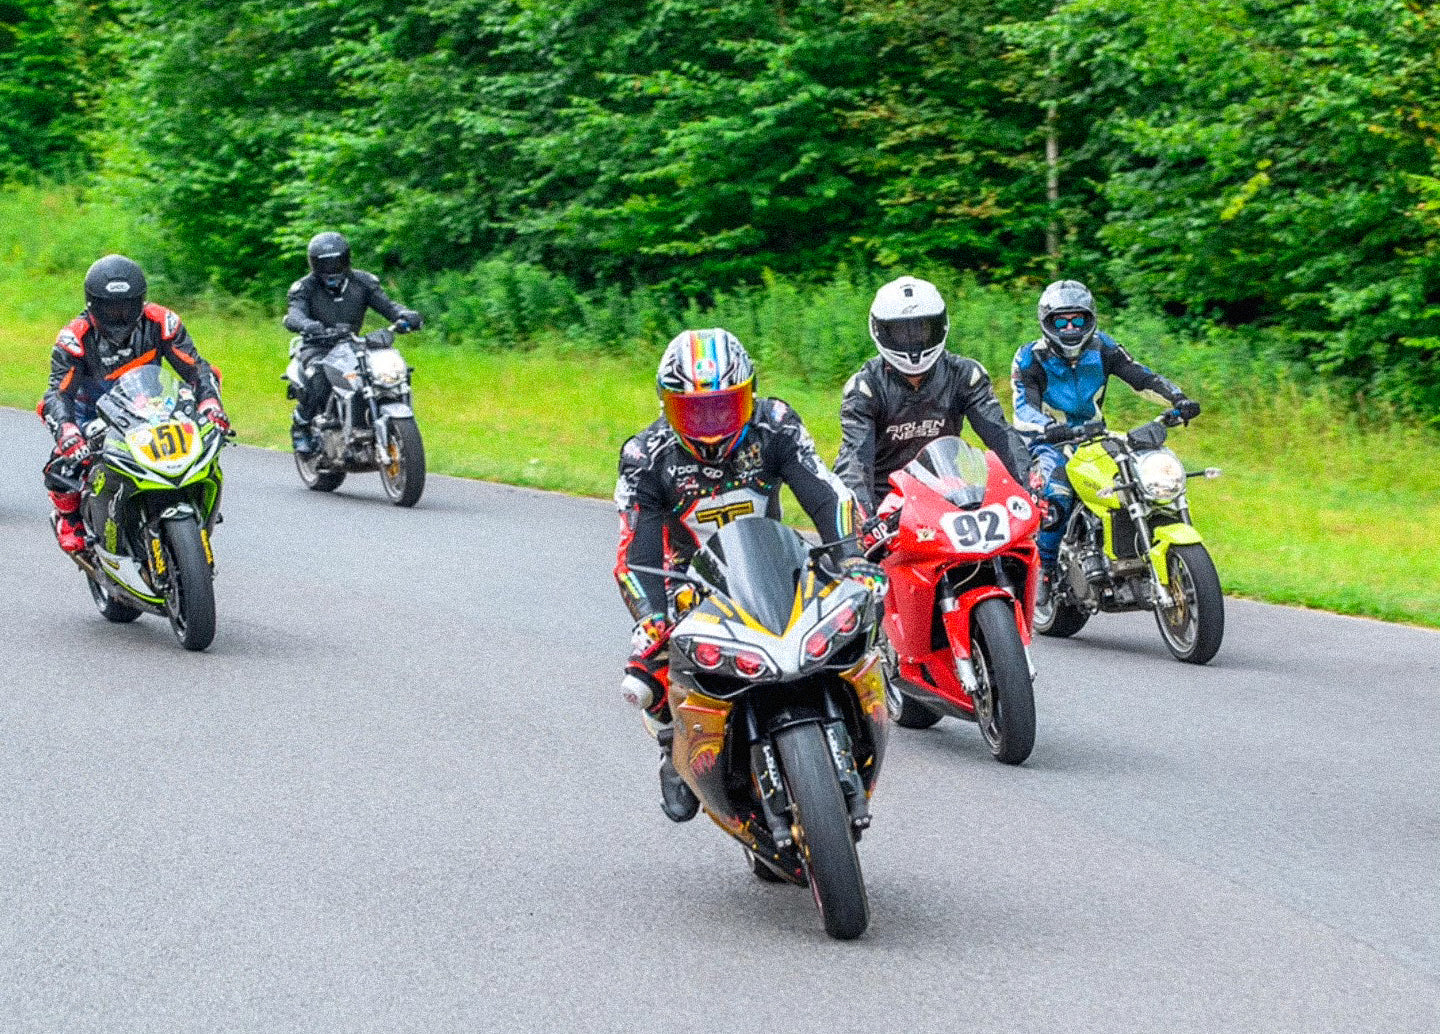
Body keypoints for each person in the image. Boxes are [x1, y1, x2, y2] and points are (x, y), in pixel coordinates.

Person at [613, 328, 883, 822]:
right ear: (667, 408)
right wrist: (650, 617)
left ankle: (855, 713)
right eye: (694, 412)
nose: (711, 427)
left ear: (750, 395)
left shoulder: (775, 425)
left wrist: (852, 559)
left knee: (858, 619)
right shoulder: (645, 457)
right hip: (691, 588)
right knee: (648, 669)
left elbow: (827, 493)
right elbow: (634, 554)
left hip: (773, 567)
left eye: (724, 407)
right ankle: (673, 744)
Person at [1010, 279, 1201, 602]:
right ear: (1047, 322)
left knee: (1139, 477)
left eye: (1078, 319)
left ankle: (1129, 552)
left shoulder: (1104, 348)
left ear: (1091, 319)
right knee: (1056, 492)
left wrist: (1178, 399)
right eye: (1061, 320)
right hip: (1048, 441)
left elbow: (1142, 378)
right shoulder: (1030, 357)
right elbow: (1023, 408)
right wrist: (1047, 427)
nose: (1070, 327)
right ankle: (1045, 569)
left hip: (1095, 435)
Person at [40, 254, 228, 554]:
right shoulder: (74, 338)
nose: (119, 315)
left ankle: (193, 505)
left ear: (141, 302)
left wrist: (209, 402)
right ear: (92, 305)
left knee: (205, 440)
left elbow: (197, 369)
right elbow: (56, 394)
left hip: (152, 403)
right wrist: (67, 432)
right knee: (62, 466)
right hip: (94, 413)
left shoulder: (161, 322)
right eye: (110, 307)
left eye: (127, 306)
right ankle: (69, 517)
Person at [835, 275, 1031, 517]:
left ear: (940, 327)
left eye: (921, 329)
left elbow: (1001, 436)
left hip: (949, 497)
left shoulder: (965, 374)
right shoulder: (866, 388)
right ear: (881, 330)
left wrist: (1029, 487)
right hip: (885, 506)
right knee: (854, 553)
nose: (912, 340)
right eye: (901, 331)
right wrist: (864, 515)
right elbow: (855, 462)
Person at [283, 231, 423, 453]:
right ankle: (302, 425)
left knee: (386, 372)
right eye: (325, 264)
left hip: (352, 344)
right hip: (317, 345)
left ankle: (373, 422)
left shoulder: (363, 282)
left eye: (337, 261)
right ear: (314, 264)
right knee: (318, 376)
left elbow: (387, 306)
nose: (332, 269)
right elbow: (294, 314)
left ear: (346, 259)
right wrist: (308, 325)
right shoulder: (304, 288)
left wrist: (404, 315)